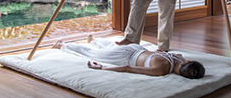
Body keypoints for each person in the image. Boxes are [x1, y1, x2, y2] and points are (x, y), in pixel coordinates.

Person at [52, 35, 205, 79]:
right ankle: (62, 44)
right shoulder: (161, 70)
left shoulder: (179, 57)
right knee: (93, 54)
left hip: (137, 48)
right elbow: (128, 68)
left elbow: (184, 58)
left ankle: (94, 40)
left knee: (111, 48)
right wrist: (104, 68)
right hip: (128, 56)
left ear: (188, 62)